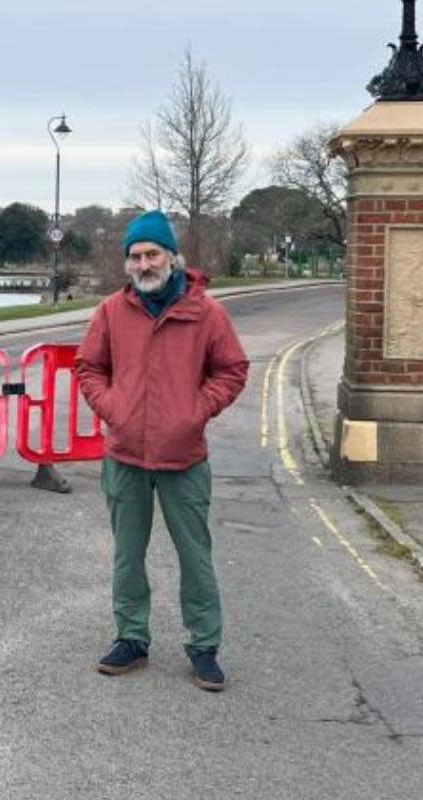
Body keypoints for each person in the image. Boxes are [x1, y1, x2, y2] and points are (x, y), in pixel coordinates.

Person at [75, 210, 248, 691]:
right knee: (127, 554)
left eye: (152, 254)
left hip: (184, 457)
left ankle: (204, 646)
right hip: (125, 453)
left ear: (172, 257)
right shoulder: (112, 310)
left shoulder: (206, 312)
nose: (144, 263)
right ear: (127, 263)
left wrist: (195, 410)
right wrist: (113, 408)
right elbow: (88, 366)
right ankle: (131, 637)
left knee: (195, 555)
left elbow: (231, 370)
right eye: (135, 256)